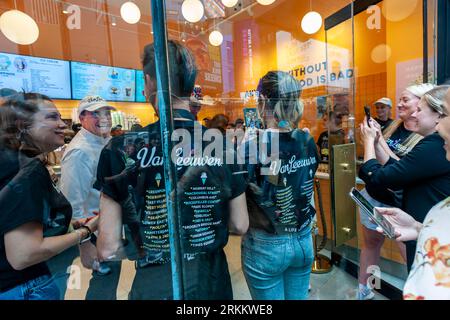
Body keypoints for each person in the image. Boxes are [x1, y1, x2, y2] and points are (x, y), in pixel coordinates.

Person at [95, 40, 249, 300]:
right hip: (211, 279)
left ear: (149, 82)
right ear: (190, 89)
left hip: (156, 282)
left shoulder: (120, 149)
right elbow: (239, 224)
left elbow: (108, 248)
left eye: (145, 85)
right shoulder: (222, 145)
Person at [0, 93, 98, 300]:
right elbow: (24, 255)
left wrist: (69, 224)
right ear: (22, 125)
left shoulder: (11, 162)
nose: (63, 124)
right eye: (52, 117)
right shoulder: (26, 170)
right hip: (26, 287)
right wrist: (86, 232)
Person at [240, 71, 320, 300]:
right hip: (303, 240)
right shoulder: (306, 140)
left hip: (267, 244)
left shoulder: (253, 144)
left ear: (263, 101)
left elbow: (244, 192)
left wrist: (241, 152)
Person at [359, 85, 450, 277]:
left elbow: (377, 178)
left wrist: (368, 142)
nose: (414, 114)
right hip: (424, 231)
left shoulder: (434, 145)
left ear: (439, 116)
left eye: (419, 109)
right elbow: (400, 169)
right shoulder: (433, 143)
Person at [356, 84, 430, 300]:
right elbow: (388, 160)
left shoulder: (426, 136)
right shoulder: (393, 127)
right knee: (371, 245)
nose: (399, 104)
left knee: (411, 257)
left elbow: (402, 172)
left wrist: (372, 143)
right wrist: (376, 139)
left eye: (405, 100)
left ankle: (417, 294)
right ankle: (367, 289)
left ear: (422, 102)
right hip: (374, 198)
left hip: (402, 206)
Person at [59, 95, 120, 299]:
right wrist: (85, 244)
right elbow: (71, 205)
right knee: (104, 285)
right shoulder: (79, 152)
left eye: (107, 113)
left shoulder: (105, 141)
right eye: (96, 113)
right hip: (95, 231)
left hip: (108, 224)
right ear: (82, 117)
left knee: (110, 280)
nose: (104, 118)